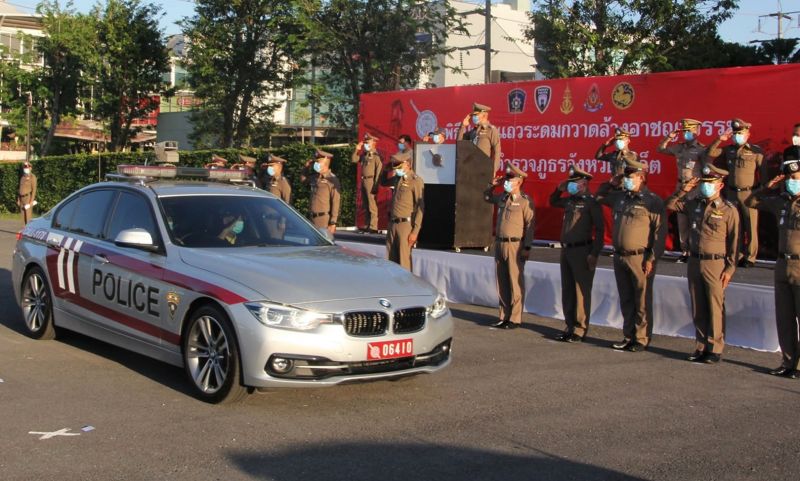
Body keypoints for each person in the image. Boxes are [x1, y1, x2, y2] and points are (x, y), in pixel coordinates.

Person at [665, 165, 739, 364]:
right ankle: (700, 345)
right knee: (698, 305)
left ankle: (714, 348)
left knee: (714, 306)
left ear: (720, 185)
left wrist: (730, 268)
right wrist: (684, 189)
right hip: (695, 260)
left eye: (711, 184)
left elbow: (734, 243)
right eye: (704, 184)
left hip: (715, 262)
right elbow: (671, 204)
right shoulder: (694, 204)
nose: (706, 187)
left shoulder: (728, 210)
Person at [596, 158, 666, 351]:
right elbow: (599, 196)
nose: (627, 180)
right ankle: (628, 336)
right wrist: (611, 182)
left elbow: (659, 233)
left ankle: (641, 338)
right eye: (625, 177)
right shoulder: (620, 197)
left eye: (631, 177)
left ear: (641, 177)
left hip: (640, 257)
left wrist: (652, 257)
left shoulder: (652, 201)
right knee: (626, 297)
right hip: (619, 255)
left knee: (641, 299)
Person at [744, 158, 800, 379]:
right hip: (782, 264)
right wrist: (767, 187)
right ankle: (788, 361)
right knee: (784, 318)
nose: (790, 182)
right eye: (788, 179)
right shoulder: (781, 202)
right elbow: (750, 201)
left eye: (795, 178)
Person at [549, 165, 604, 342]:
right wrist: (559, 188)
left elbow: (600, 230)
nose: (571, 185)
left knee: (581, 290)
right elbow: (552, 201)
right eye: (570, 182)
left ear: (584, 183)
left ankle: (580, 328)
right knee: (568, 289)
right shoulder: (570, 200)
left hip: (582, 250)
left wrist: (594, 253)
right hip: (567, 249)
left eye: (575, 182)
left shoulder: (591, 202)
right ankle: (569, 325)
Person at [707, 118, 764, 268]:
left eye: (741, 133)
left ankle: (750, 257)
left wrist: (760, 193)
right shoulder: (729, 150)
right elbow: (711, 152)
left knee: (751, 226)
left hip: (749, 193)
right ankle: (737, 255)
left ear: (748, 134)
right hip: (732, 193)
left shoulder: (755, 151)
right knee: (735, 226)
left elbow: (763, 173)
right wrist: (719, 139)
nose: (737, 135)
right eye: (735, 133)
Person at [483, 164, 535, 330]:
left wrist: (527, 247)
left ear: (518, 182)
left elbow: (530, 226)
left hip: (515, 244)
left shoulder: (525, 201)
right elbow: (486, 197)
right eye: (506, 179)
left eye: (509, 179)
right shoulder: (503, 198)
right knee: (502, 281)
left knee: (515, 281)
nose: (506, 182)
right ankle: (504, 315)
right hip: (500, 243)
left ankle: (515, 318)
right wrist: (492, 185)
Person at [658, 118, 706, 263]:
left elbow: (706, 169)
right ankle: (685, 251)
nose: (686, 133)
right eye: (684, 131)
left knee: (695, 220)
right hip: (680, 187)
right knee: (682, 220)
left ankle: (695, 250)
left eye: (689, 131)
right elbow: (660, 149)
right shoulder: (679, 147)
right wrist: (669, 137)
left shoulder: (701, 149)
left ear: (696, 131)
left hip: (695, 188)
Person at [378, 151, 424, 271]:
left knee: (403, 261)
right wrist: (385, 170)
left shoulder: (416, 181)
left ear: (407, 164)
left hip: (405, 225)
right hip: (393, 224)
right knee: (390, 261)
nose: (396, 169)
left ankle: (407, 288)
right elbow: (383, 182)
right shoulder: (397, 179)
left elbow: (420, 207)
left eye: (399, 165)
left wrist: (415, 231)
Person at [302, 150, 341, 235]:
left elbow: (335, 201)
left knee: (323, 246)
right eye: (315, 162)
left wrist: (333, 223)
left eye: (318, 162)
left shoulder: (332, 179)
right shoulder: (315, 177)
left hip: (323, 220)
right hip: (311, 218)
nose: (316, 164)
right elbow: (303, 180)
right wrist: (306, 167)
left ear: (325, 163)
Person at [351, 133, 383, 233]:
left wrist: (376, 185)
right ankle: (367, 223)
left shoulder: (376, 156)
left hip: (371, 181)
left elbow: (379, 171)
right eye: (365, 142)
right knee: (366, 204)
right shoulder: (364, 155)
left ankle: (373, 226)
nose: (365, 144)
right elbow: (354, 159)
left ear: (373, 143)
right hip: (364, 180)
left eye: (367, 142)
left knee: (371, 204)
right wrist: (357, 149)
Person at [457, 102, 502, 172]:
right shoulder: (473, 131)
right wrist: (463, 126)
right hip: (470, 168)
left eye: (476, 115)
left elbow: (497, 151)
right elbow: (459, 143)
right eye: (473, 115)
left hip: (483, 170)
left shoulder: (491, 130)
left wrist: (493, 170)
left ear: (484, 115)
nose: (473, 117)